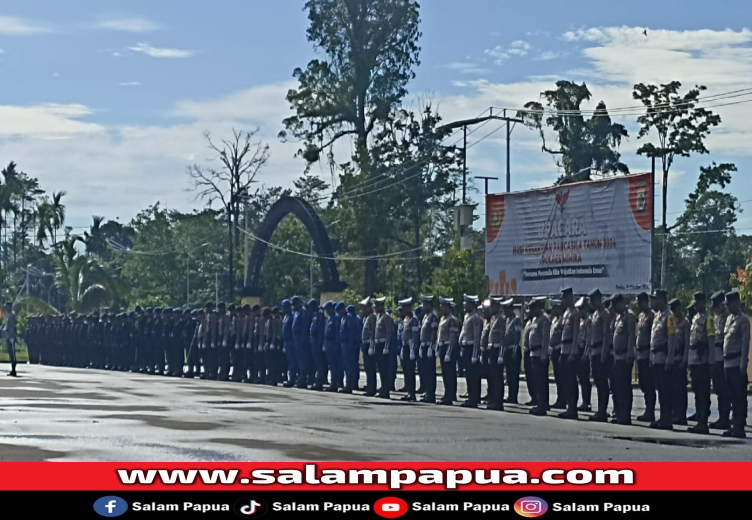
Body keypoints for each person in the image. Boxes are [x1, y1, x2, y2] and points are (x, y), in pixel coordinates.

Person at [722, 289, 750, 439]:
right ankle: (734, 425)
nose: (727, 307)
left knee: (739, 396)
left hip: (736, 363)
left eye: (729, 304)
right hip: (728, 363)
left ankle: (740, 426)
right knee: (731, 395)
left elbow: (745, 344)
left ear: (736, 303)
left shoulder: (743, 320)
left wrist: (742, 365)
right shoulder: (729, 319)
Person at [650, 289, 677, 431]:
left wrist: (670, 359)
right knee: (660, 390)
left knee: (666, 391)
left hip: (664, 358)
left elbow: (672, 339)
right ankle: (662, 416)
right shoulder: (657, 316)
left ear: (662, 299)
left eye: (656, 299)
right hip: (656, 358)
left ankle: (667, 418)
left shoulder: (669, 316)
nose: (654, 301)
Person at [686, 292, 713, 434]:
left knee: (703, 392)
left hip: (703, 361)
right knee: (697, 392)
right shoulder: (695, 318)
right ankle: (699, 421)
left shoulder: (708, 319)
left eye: (697, 303)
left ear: (703, 303)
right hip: (695, 360)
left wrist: (711, 362)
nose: (695, 306)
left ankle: (703, 422)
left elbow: (710, 341)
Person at [611, 294, 636, 425]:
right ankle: (620, 413)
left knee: (625, 387)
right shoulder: (618, 317)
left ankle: (626, 415)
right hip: (617, 355)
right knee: (618, 387)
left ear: (620, 303)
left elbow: (631, 336)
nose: (614, 309)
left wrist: (629, 354)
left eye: (615, 305)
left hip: (625, 356)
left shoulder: (629, 316)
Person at [710, 291, 731, 430]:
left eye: (717, 306)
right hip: (716, 358)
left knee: (725, 390)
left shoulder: (729, 317)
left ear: (722, 304)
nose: (715, 310)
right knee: (718, 389)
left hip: (724, 358)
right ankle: (721, 417)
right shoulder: (716, 318)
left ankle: (726, 418)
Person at [588, 289, 611, 422]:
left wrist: (604, 352)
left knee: (603, 382)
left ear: (598, 299)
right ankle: (600, 410)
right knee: (597, 381)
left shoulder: (605, 314)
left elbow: (606, 335)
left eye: (593, 300)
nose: (591, 303)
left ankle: (603, 410)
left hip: (601, 351)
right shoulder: (596, 314)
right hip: (594, 351)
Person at [558, 288, 580, 420]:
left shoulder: (575, 313)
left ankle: (573, 408)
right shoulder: (566, 313)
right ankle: (568, 406)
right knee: (565, 380)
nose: (563, 300)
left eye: (565, 298)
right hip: (564, 349)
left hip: (571, 350)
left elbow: (576, 334)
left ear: (570, 298)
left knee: (572, 381)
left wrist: (573, 352)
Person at [634, 292, 656, 423]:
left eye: (639, 302)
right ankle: (648, 409)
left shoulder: (652, 316)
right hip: (640, 353)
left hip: (648, 353)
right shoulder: (641, 316)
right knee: (642, 382)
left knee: (649, 384)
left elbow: (652, 336)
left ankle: (650, 411)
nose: (638, 305)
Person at [528, 297, 550, 416]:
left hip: (540, 354)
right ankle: (539, 402)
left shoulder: (544, 319)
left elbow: (545, 338)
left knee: (541, 381)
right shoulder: (535, 319)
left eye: (532, 309)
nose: (531, 311)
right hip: (533, 353)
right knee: (536, 380)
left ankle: (542, 405)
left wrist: (543, 354)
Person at [669, 298, 690, 426]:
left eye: (673, 309)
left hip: (680, 359)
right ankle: (674, 413)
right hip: (674, 359)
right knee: (673, 389)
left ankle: (681, 415)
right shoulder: (673, 322)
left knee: (681, 390)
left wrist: (684, 360)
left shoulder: (685, 323)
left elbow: (687, 343)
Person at [460, 295, 483, 408]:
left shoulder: (475, 318)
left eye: (467, 303)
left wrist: (475, 353)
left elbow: (476, 336)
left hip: (471, 348)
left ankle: (474, 398)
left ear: (472, 305)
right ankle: (470, 396)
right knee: (468, 374)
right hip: (465, 347)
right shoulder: (466, 316)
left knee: (473, 375)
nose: (465, 305)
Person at [436, 297, 459, 405]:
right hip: (442, 347)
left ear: (448, 307)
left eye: (443, 306)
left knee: (450, 374)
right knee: (445, 374)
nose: (441, 308)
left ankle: (450, 396)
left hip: (448, 348)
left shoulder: (452, 320)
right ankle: (447, 394)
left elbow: (452, 337)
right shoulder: (442, 319)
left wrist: (449, 352)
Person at [419, 296, 439, 404]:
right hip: (424, 346)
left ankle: (431, 394)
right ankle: (427, 392)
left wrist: (432, 346)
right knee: (425, 371)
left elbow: (434, 332)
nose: (423, 306)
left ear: (429, 305)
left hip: (429, 346)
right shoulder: (425, 317)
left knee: (430, 372)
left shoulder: (433, 317)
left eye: (425, 304)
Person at [399, 298, 419, 402]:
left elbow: (415, 335)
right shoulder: (406, 318)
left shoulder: (414, 319)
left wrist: (412, 349)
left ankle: (412, 393)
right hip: (405, 346)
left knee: (411, 371)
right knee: (406, 371)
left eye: (404, 308)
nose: (403, 310)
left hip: (411, 347)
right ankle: (409, 392)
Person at [502, 299, 522, 405]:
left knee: (514, 375)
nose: (505, 311)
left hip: (514, 350)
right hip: (507, 350)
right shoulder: (506, 320)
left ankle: (513, 396)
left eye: (506, 309)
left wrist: (514, 351)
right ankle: (510, 395)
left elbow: (517, 336)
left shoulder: (516, 320)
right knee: (509, 374)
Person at [486, 297, 505, 411]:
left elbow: (503, 338)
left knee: (498, 378)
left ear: (497, 307)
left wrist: (501, 355)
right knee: (493, 377)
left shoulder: (500, 320)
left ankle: (498, 402)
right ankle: (494, 400)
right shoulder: (493, 319)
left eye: (492, 306)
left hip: (498, 350)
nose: (490, 309)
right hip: (492, 350)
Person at [373, 297, 393, 399]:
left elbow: (389, 332)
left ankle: (386, 390)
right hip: (377, 344)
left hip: (383, 345)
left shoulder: (386, 317)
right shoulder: (378, 316)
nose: (375, 309)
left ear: (381, 306)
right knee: (380, 368)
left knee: (385, 369)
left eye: (377, 307)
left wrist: (386, 346)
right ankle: (383, 388)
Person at [575, 297, 592, 411]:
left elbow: (588, 338)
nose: (580, 311)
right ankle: (583, 401)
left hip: (584, 350)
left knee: (585, 378)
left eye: (581, 308)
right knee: (580, 378)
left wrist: (585, 354)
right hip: (578, 349)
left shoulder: (588, 321)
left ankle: (587, 402)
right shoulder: (580, 321)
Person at [548, 300, 565, 409]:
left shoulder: (562, 320)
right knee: (558, 377)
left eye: (554, 308)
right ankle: (560, 398)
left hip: (560, 349)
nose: (553, 311)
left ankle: (563, 399)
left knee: (562, 377)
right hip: (554, 350)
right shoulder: (554, 320)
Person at [360, 297, 378, 396]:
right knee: (367, 368)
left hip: (369, 344)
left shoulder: (372, 317)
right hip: (365, 344)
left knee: (371, 368)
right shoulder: (367, 317)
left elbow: (373, 332)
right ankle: (370, 386)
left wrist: (371, 345)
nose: (362, 310)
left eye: (364, 308)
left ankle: (372, 389)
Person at [322, 301, 341, 392]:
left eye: (327, 309)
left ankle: (335, 383)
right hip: (328, 343)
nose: (326, 311)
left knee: (334, 365)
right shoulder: (330, 318)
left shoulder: (336, 318)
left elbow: (337, 333)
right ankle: (333, 382)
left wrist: (336, 345)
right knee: (331, 365)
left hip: (333, 343)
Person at [308, 299, 327, 391]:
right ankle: (317, 380)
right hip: (314, 341)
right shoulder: (315, 314)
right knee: (316, 362)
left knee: (319, 363)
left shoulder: (319, 314)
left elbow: (320, 330)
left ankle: (319, 382)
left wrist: (320, 343)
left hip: (317, 342)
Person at [281, 300, 297, 388]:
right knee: (289, 361)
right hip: (286, 341)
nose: (283, 309)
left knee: (292, 361)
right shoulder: (286, 316)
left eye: (284, 307)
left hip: (291, 341)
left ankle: (293, 378)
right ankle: (291, 377)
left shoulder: (292, 316)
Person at [4, 302, 17, 377]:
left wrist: (10, 335)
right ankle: (12, 369)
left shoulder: (12, 315)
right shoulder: (9, 315)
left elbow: (12, 327)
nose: (5, 308)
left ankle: (14, 370)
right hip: (8, 336)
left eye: (6, 306)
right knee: (10, 353)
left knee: (12, 354)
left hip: (11, 337)